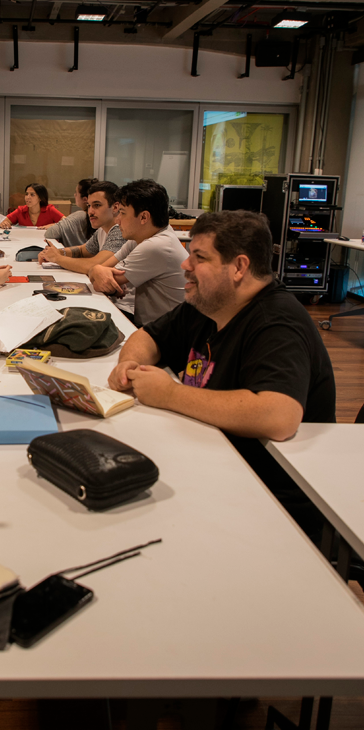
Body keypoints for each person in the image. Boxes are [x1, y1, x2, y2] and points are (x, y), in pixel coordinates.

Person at [108, 210, 336, 537]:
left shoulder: (277, 322)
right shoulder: (210, 302)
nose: (185, 265)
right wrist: (128, 364)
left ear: (239, 267)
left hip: (269, 505)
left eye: (199, 257)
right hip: (215, 468)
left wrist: (170, 394)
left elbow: (278, 416)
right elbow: (147, 337)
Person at [90, 180, 187, 326]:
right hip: (152, 326)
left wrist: (97, 269)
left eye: (122, 213)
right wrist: (98, 270)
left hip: (165, 334)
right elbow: (99, 274)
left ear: (143, 217)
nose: (117, 220)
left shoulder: (156, 246)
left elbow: (99, 282)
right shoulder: (141, 237)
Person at [37, 181, 126, 275]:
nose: (90, 212)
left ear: (115, 207)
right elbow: (82, 250)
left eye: (97, 205)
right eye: (89, 206)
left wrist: (57, 258)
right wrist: (57, 252)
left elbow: (94, 265)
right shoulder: (102, 230)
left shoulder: (120, 231)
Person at [42, 177, 98, 245]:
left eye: (76, 192)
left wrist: (59, 225)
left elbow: (50, 233)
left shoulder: (80, 216)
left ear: (85, 199)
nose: (74, 195)